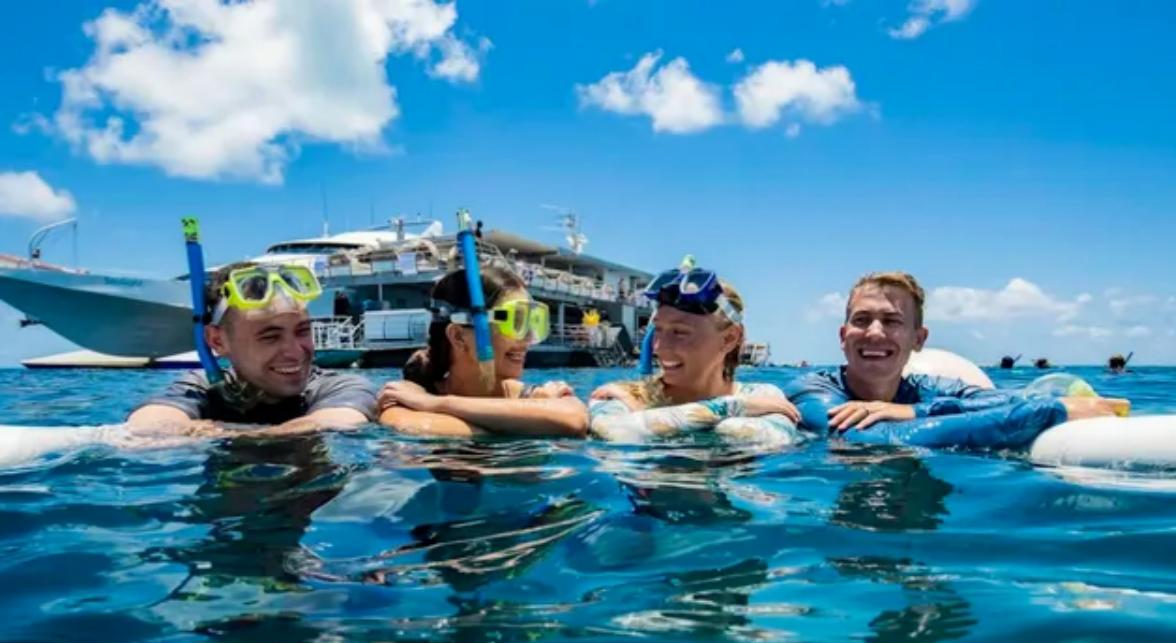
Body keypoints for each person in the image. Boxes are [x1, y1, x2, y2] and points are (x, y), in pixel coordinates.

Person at [786, 271, 1127, 449]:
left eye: (891, 321)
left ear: (918, 340)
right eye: (861, 321)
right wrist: (1052, 411)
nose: (874, 332)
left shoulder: (926, 390)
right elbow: (875, 440)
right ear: (843, 336)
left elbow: (1009, 399)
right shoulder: (811, 392)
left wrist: (916, 410)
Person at [128, 262, 375, 435]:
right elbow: (147, 426)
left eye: (302, 331)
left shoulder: (339, 387)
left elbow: (337, 424)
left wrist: (205, 432)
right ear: (217, 341)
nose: (294, 351)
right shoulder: (202, 388)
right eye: (270, 337)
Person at [589, 265, 799, 445]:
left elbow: (767, 438)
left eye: (680, 332)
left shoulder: (763, 394)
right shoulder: (624, 394)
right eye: (658, 330)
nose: (660, 347)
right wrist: (734, 406)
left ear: (729, 339)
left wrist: (647, 422)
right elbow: (610, 432)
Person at [377, 266, 588, 437]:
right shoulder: (411, 392)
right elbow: (403, 423)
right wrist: (532, 422)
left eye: (533, 323)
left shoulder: (425, 400)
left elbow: (574, 419)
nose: (526, 338)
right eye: (515, 322)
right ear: (459, 337)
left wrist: (438, 404)